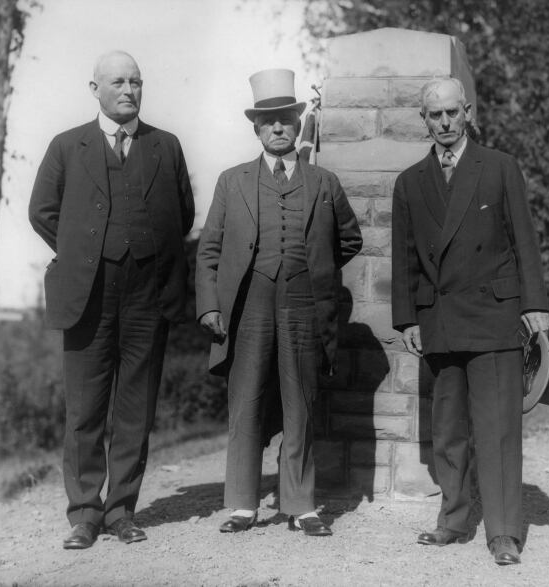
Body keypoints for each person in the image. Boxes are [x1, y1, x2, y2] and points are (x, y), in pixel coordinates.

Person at [29, 50, 195, 549]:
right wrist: (84, 250)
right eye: (117, 82)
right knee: (84, 408)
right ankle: (84, 512)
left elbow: (181, 215)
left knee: (135, 408)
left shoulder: (165, 146)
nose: (128, 90)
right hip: (88, 294)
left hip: (148, 293)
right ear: (94, 88)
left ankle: (122, 509)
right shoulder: (67, 146)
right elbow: (42, 211)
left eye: (136, 82)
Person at [196, 68, 362, 537]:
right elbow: (209, 250)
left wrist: (315, 266)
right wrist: (210, 305)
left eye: (285, 119)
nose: (277, 128)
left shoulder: (323, 182)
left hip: (304, 305)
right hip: (247, 306)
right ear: (256, 128)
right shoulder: (232, 182)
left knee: (300, 403)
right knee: (246, 401)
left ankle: (301, 505)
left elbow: (349, 239)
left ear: (297, 123)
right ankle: (243, 505)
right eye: (268, 121)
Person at [391, 77, 549, 566]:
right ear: (424, 119)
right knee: (449, 428)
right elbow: (405, 261)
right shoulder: (410, 182)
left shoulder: (499, 167)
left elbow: (524, 239)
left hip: (495, 314)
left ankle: (503, 531)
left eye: (452, 113)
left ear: (468, 113)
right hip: (439, 319)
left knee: (498, 427)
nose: (444, 122)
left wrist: (534, 305)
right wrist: (406, 321)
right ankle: (454, 519)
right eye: (434, 115)